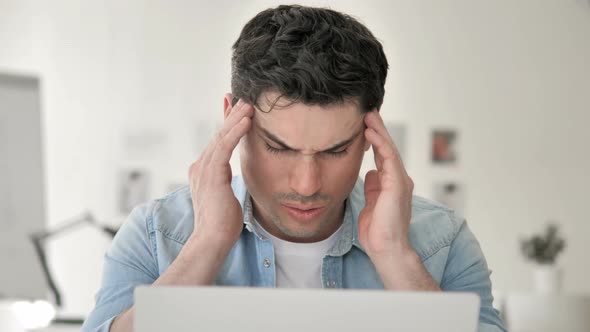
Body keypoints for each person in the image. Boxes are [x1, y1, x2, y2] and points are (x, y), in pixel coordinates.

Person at [81, 5, 506, 332]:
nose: (307, 185)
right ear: (232, 121)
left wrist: (395, 257)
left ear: (371, 133)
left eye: (336, 150)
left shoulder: (441, 243)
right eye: (278, 148)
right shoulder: (156, 236)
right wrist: (207, 244)